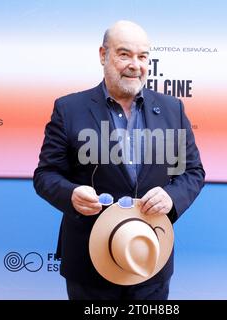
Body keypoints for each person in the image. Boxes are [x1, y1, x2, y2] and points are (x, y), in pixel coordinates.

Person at [33, 20, 205, 300]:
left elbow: (192, 172)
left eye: (143, 56)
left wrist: (172, 197)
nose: (135, 65)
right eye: (124, 54)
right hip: (89, 261)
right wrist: (71, 194)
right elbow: (45, 175)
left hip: (149, 256)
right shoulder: (69, 109)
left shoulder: (172, 109)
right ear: (103, 55)